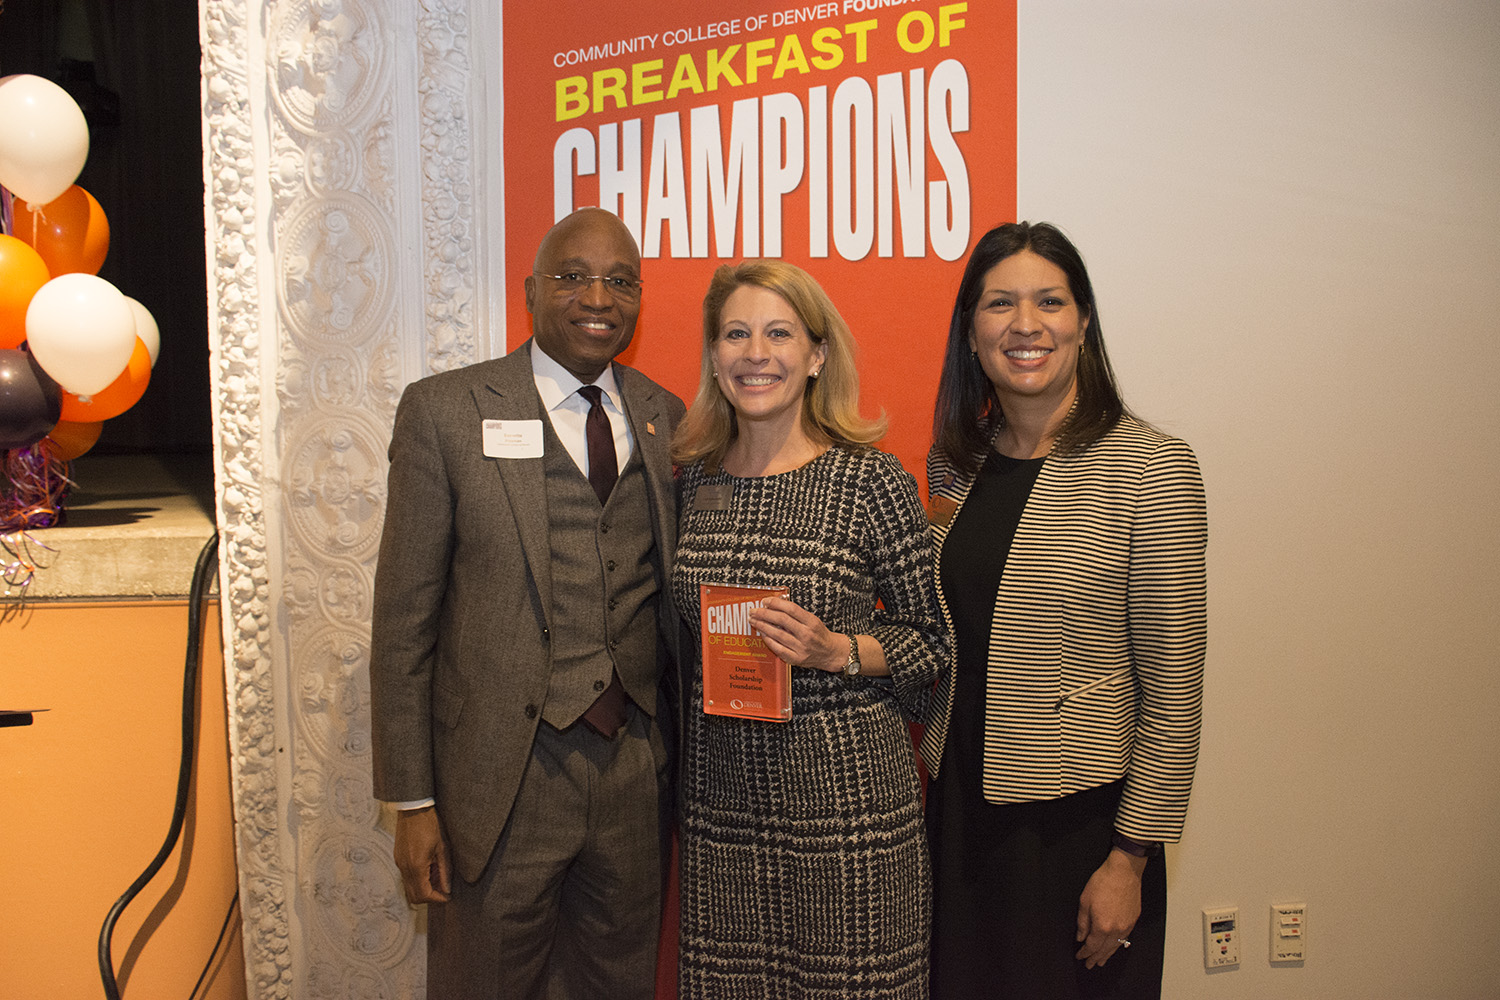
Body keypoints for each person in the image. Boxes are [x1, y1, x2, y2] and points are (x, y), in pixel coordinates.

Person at [368, 207, 686, 998]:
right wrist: (412, 801)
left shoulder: (666, 417)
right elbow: (404, 621)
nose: (597, 297)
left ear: (640, 298)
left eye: (619, 281)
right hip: (501, 781)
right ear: (530, 291)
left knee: (618, 984)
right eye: (572, 276)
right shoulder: (446, 412)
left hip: (633, 768)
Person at [920, 221, 1207, 999]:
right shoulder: (956, 459)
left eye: (1049, 301)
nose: (1025, 324)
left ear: (1082, 320)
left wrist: (1129, 857)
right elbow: (947, 636)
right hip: (959, 811)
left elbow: (1175, 695)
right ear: (971, 330)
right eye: (999, 303)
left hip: (1079, 831)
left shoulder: (1152, 467)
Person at [669, 260, 949, 998]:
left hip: (846, 807)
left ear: (817, 356)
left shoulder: (869, 479)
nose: (755, 353)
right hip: (722, 807)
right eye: (735, 334)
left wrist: (837, 651)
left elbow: (935, 639)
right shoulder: (692, 481)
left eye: (778, 333)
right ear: (714, 355)